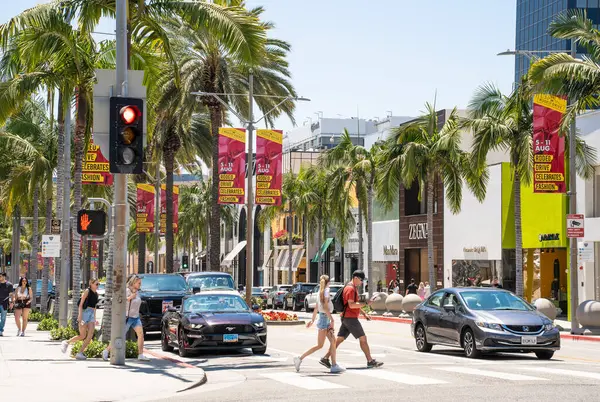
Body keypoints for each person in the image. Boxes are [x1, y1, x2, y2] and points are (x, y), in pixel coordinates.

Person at [320, 270, 383, 369]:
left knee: (339, 340)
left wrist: (364, 313)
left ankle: (325, 358)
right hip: (350, 318)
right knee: (363, 338)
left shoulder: (351, 287)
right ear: (356, 278)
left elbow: (353, 304)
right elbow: (351, 305)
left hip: (346, 317)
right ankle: (370, 361)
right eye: (361, 280)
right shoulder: (350, 289)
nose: (362, 282)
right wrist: (367, 303)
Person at [294, 275, 344, 374]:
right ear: (328, 282)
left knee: (333, 342)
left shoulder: (320, 292)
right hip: (325, 319)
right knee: (320, 345)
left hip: (323, 319)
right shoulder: (326, 291)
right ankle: (299, 358)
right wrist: (332, 320)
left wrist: (312, 320)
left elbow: (317, 307)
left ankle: (334, 365)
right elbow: (325, 308)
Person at [102, 275, 150, 361]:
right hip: (128, 318)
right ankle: (106, 351)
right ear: (134, 282)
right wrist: (130, 297)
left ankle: (140, 354)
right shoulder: (127, 290)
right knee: (120, 335)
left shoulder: (137, 291)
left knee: (141, 335)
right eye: (139, 283)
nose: (140, 285)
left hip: (135, 317)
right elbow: (121, 301)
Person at [61, 279, 100, 359]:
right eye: (96, 284)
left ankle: (80, 353)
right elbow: (81, 304)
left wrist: (95, 318)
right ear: (91, 284)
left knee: (90, 334)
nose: (97, 286)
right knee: (82, 335)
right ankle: (67, 342)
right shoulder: (87, 291)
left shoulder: (96, 294)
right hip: (85, 313)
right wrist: (80, 315)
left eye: (98, 284)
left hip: (91, 314)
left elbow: (95, 307)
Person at [0, 272, 14, 336]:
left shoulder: (9, 285)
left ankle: (0, 330)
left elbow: (11, 295)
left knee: (3, 318)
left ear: (4, 276)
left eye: (0, 276)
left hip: (4, 303)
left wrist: (11, 302)